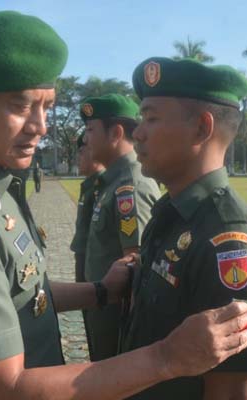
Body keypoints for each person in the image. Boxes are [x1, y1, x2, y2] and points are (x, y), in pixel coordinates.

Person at [0, 11, 247, 400]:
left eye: (47, 106)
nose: (40, 126)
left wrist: (99, 292)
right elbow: (3, 391)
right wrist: (167, 357)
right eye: (20, 106)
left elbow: (22, 294)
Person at [122, 57, 247, 399]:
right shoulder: (170, 213)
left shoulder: (228, 241)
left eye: (151, 118)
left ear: (201, 127)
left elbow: (230, 391)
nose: (137, 132)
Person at [82, 93, 161, 361]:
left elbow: (135, 263)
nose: (85, 139)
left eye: (90, 130)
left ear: (115, 133)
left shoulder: (130, 186)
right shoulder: (112, 182)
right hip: (102, 307)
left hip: (117, 320)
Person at [71, 134, 105, 283]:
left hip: (94, 265)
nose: (77, 158)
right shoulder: (89, 185)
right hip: (84, 259)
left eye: (81, 152)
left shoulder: (103, 186)